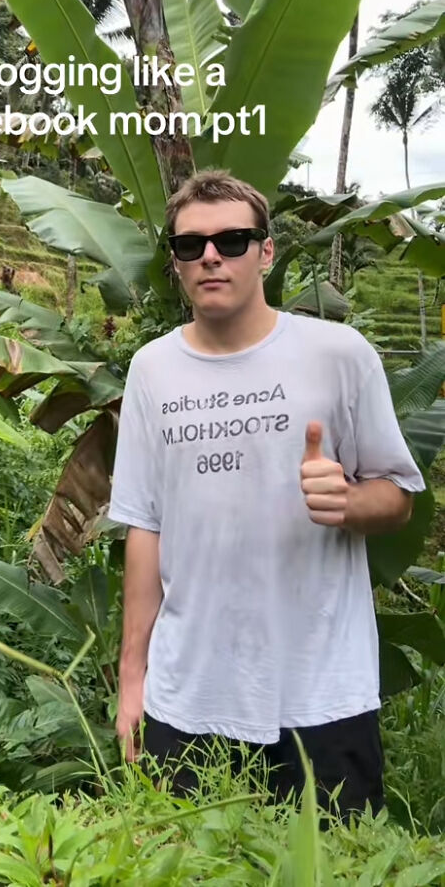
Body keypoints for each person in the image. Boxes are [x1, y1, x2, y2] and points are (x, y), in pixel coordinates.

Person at [108, 169, 425, 819]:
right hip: (184, 697)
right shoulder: (152, 371)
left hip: (322, 693)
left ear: (267, 251)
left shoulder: (340, 355)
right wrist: (132, 682)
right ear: (175, 261)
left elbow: (398, 497)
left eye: (232, 239)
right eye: (190, 246)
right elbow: (145, 528)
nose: (211, 257)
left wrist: (348, 501)